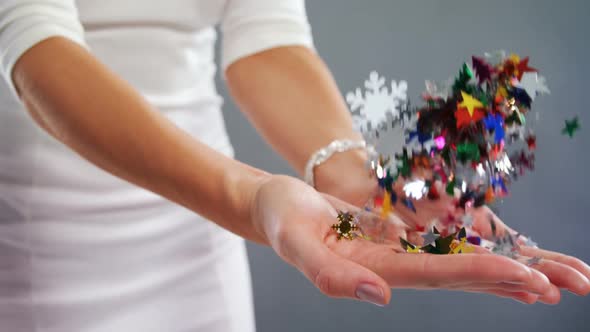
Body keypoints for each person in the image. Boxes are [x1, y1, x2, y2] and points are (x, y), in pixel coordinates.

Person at [0, 0, 588, 331]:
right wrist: (251, 199)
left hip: (199, 253)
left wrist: (358, 176)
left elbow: (268, 35)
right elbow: (33, 47)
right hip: (47, 252)